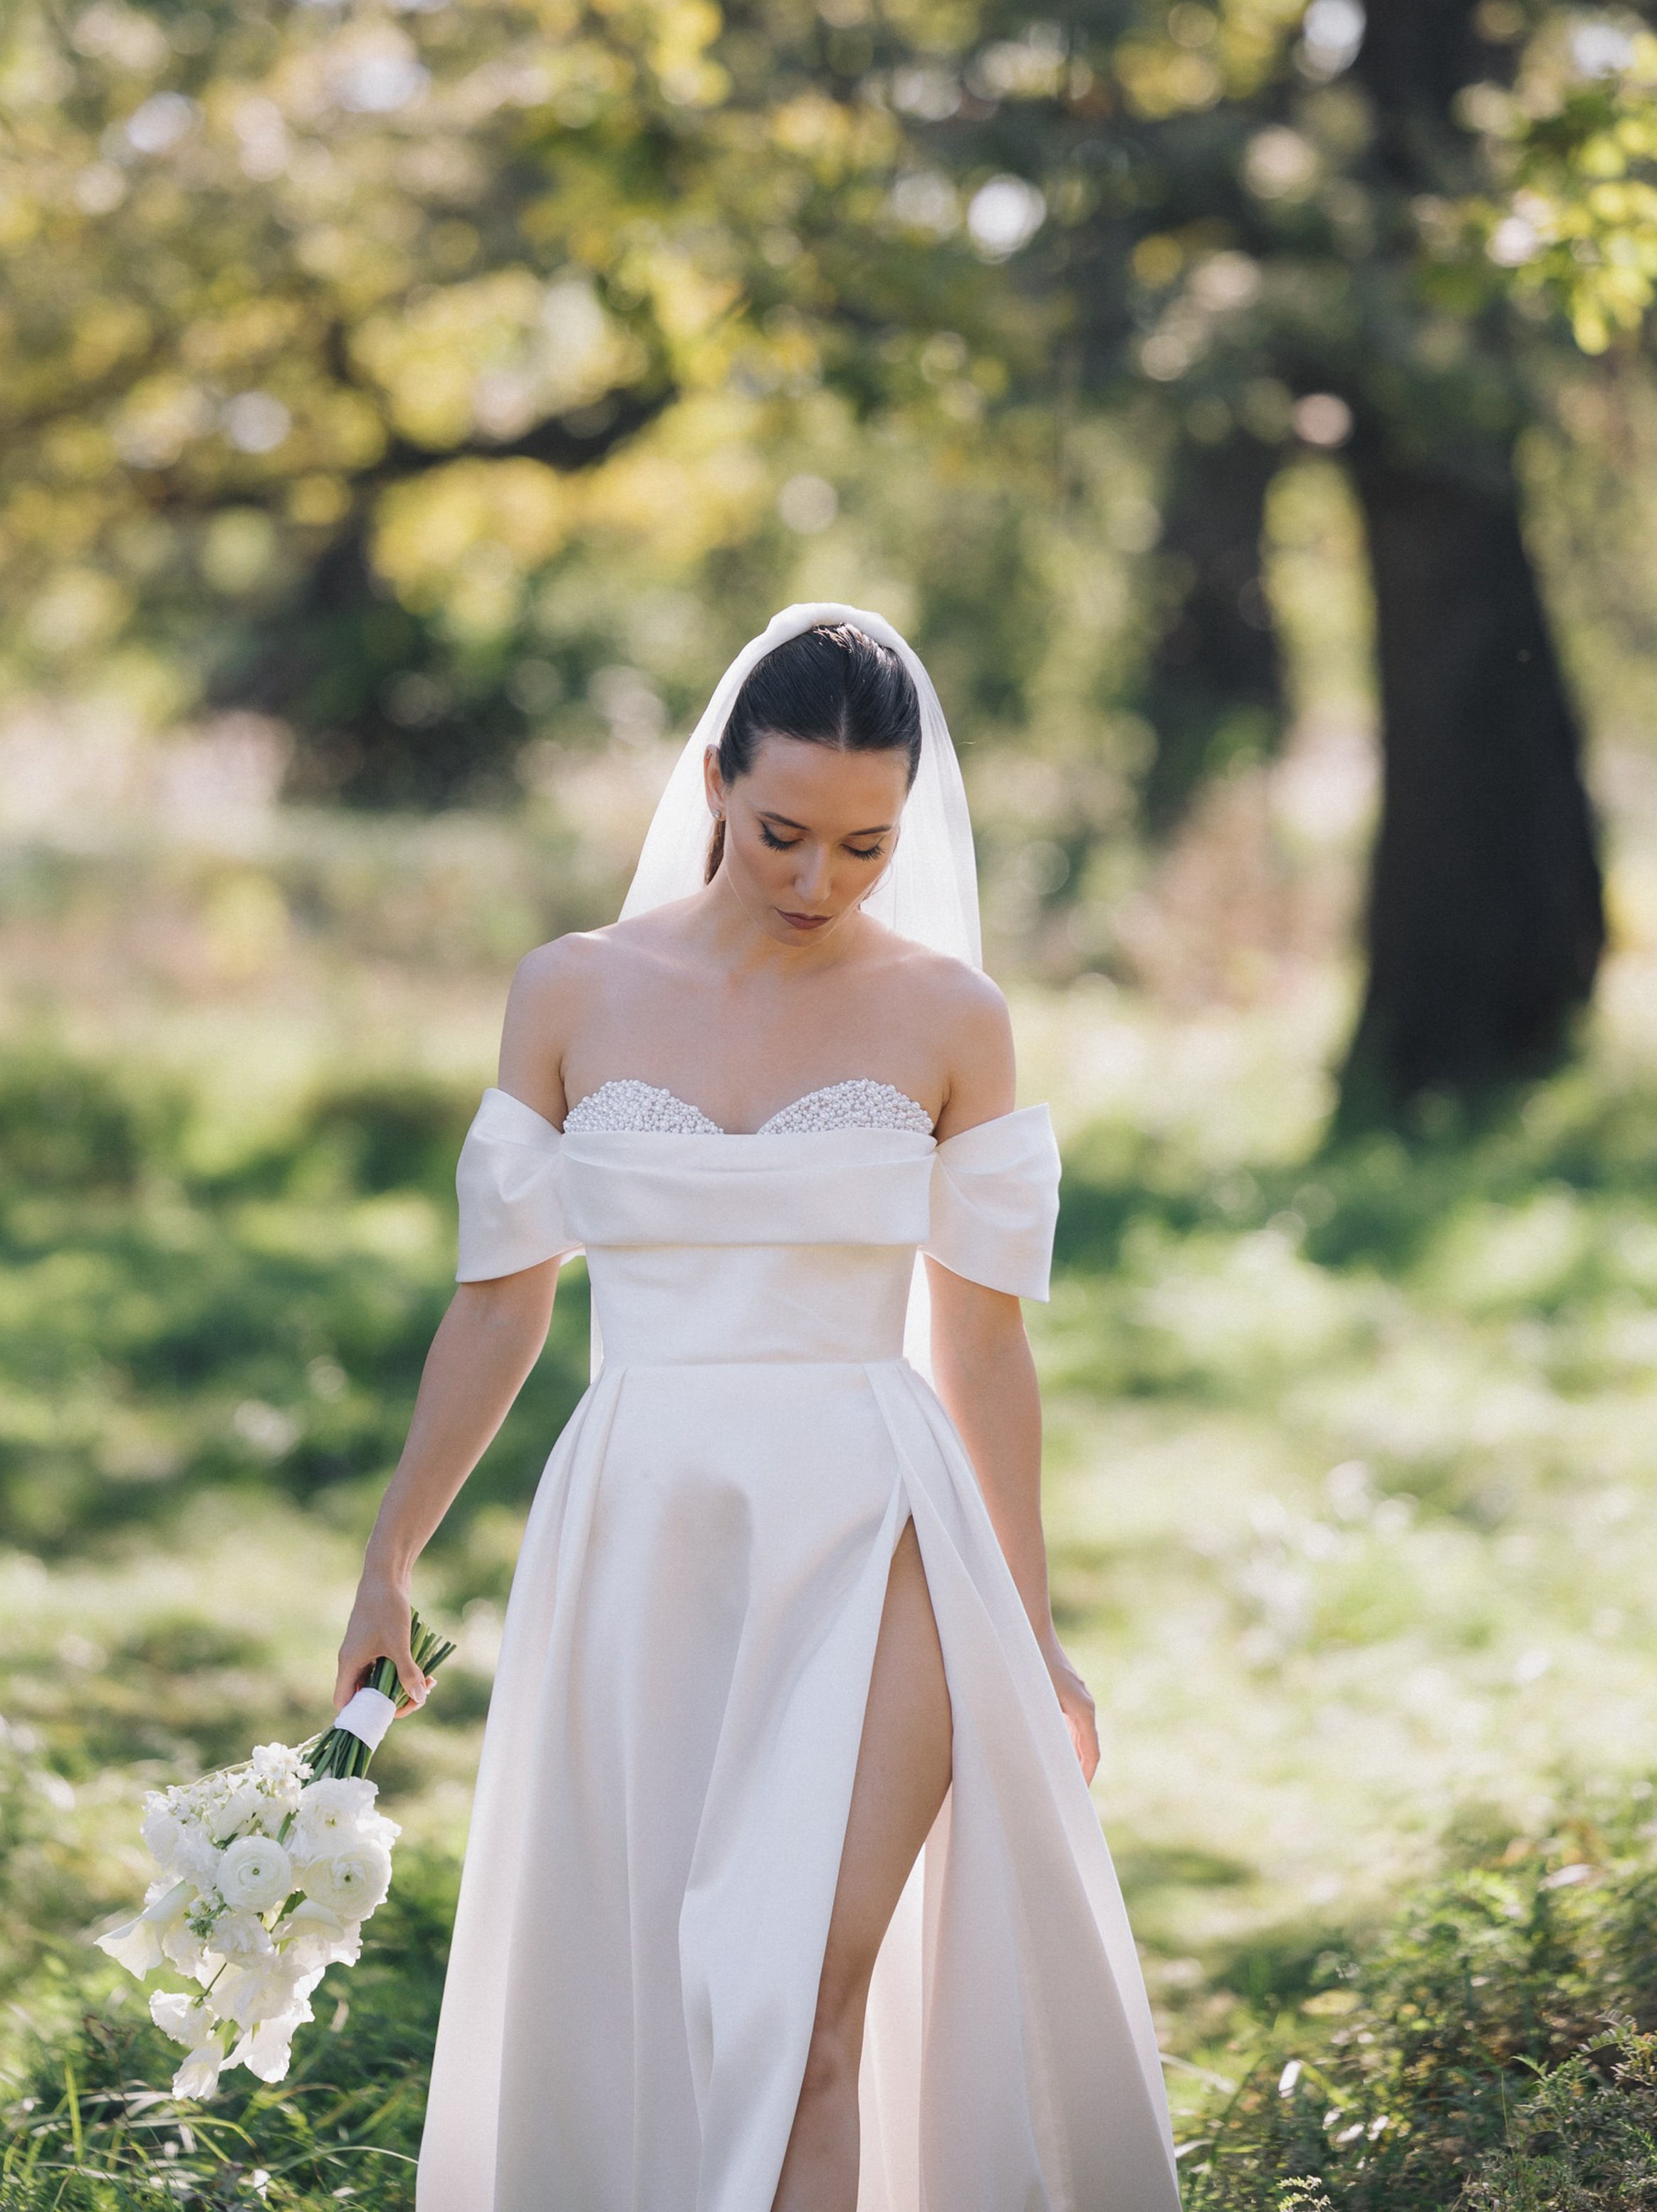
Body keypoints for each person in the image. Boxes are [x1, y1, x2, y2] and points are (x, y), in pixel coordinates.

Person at [334, 603, 1182, 2212]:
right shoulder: (571, 994)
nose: (815, 882)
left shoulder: (952, 1018)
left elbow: (983, 1338)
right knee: (659, 1990)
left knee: (799, 2002)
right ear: (713, 780)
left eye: (863, 847)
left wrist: (1038, 1621)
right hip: (637, 1527)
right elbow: (501, 1296)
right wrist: (390, 1558)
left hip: (884, 1525)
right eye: (782, 833)